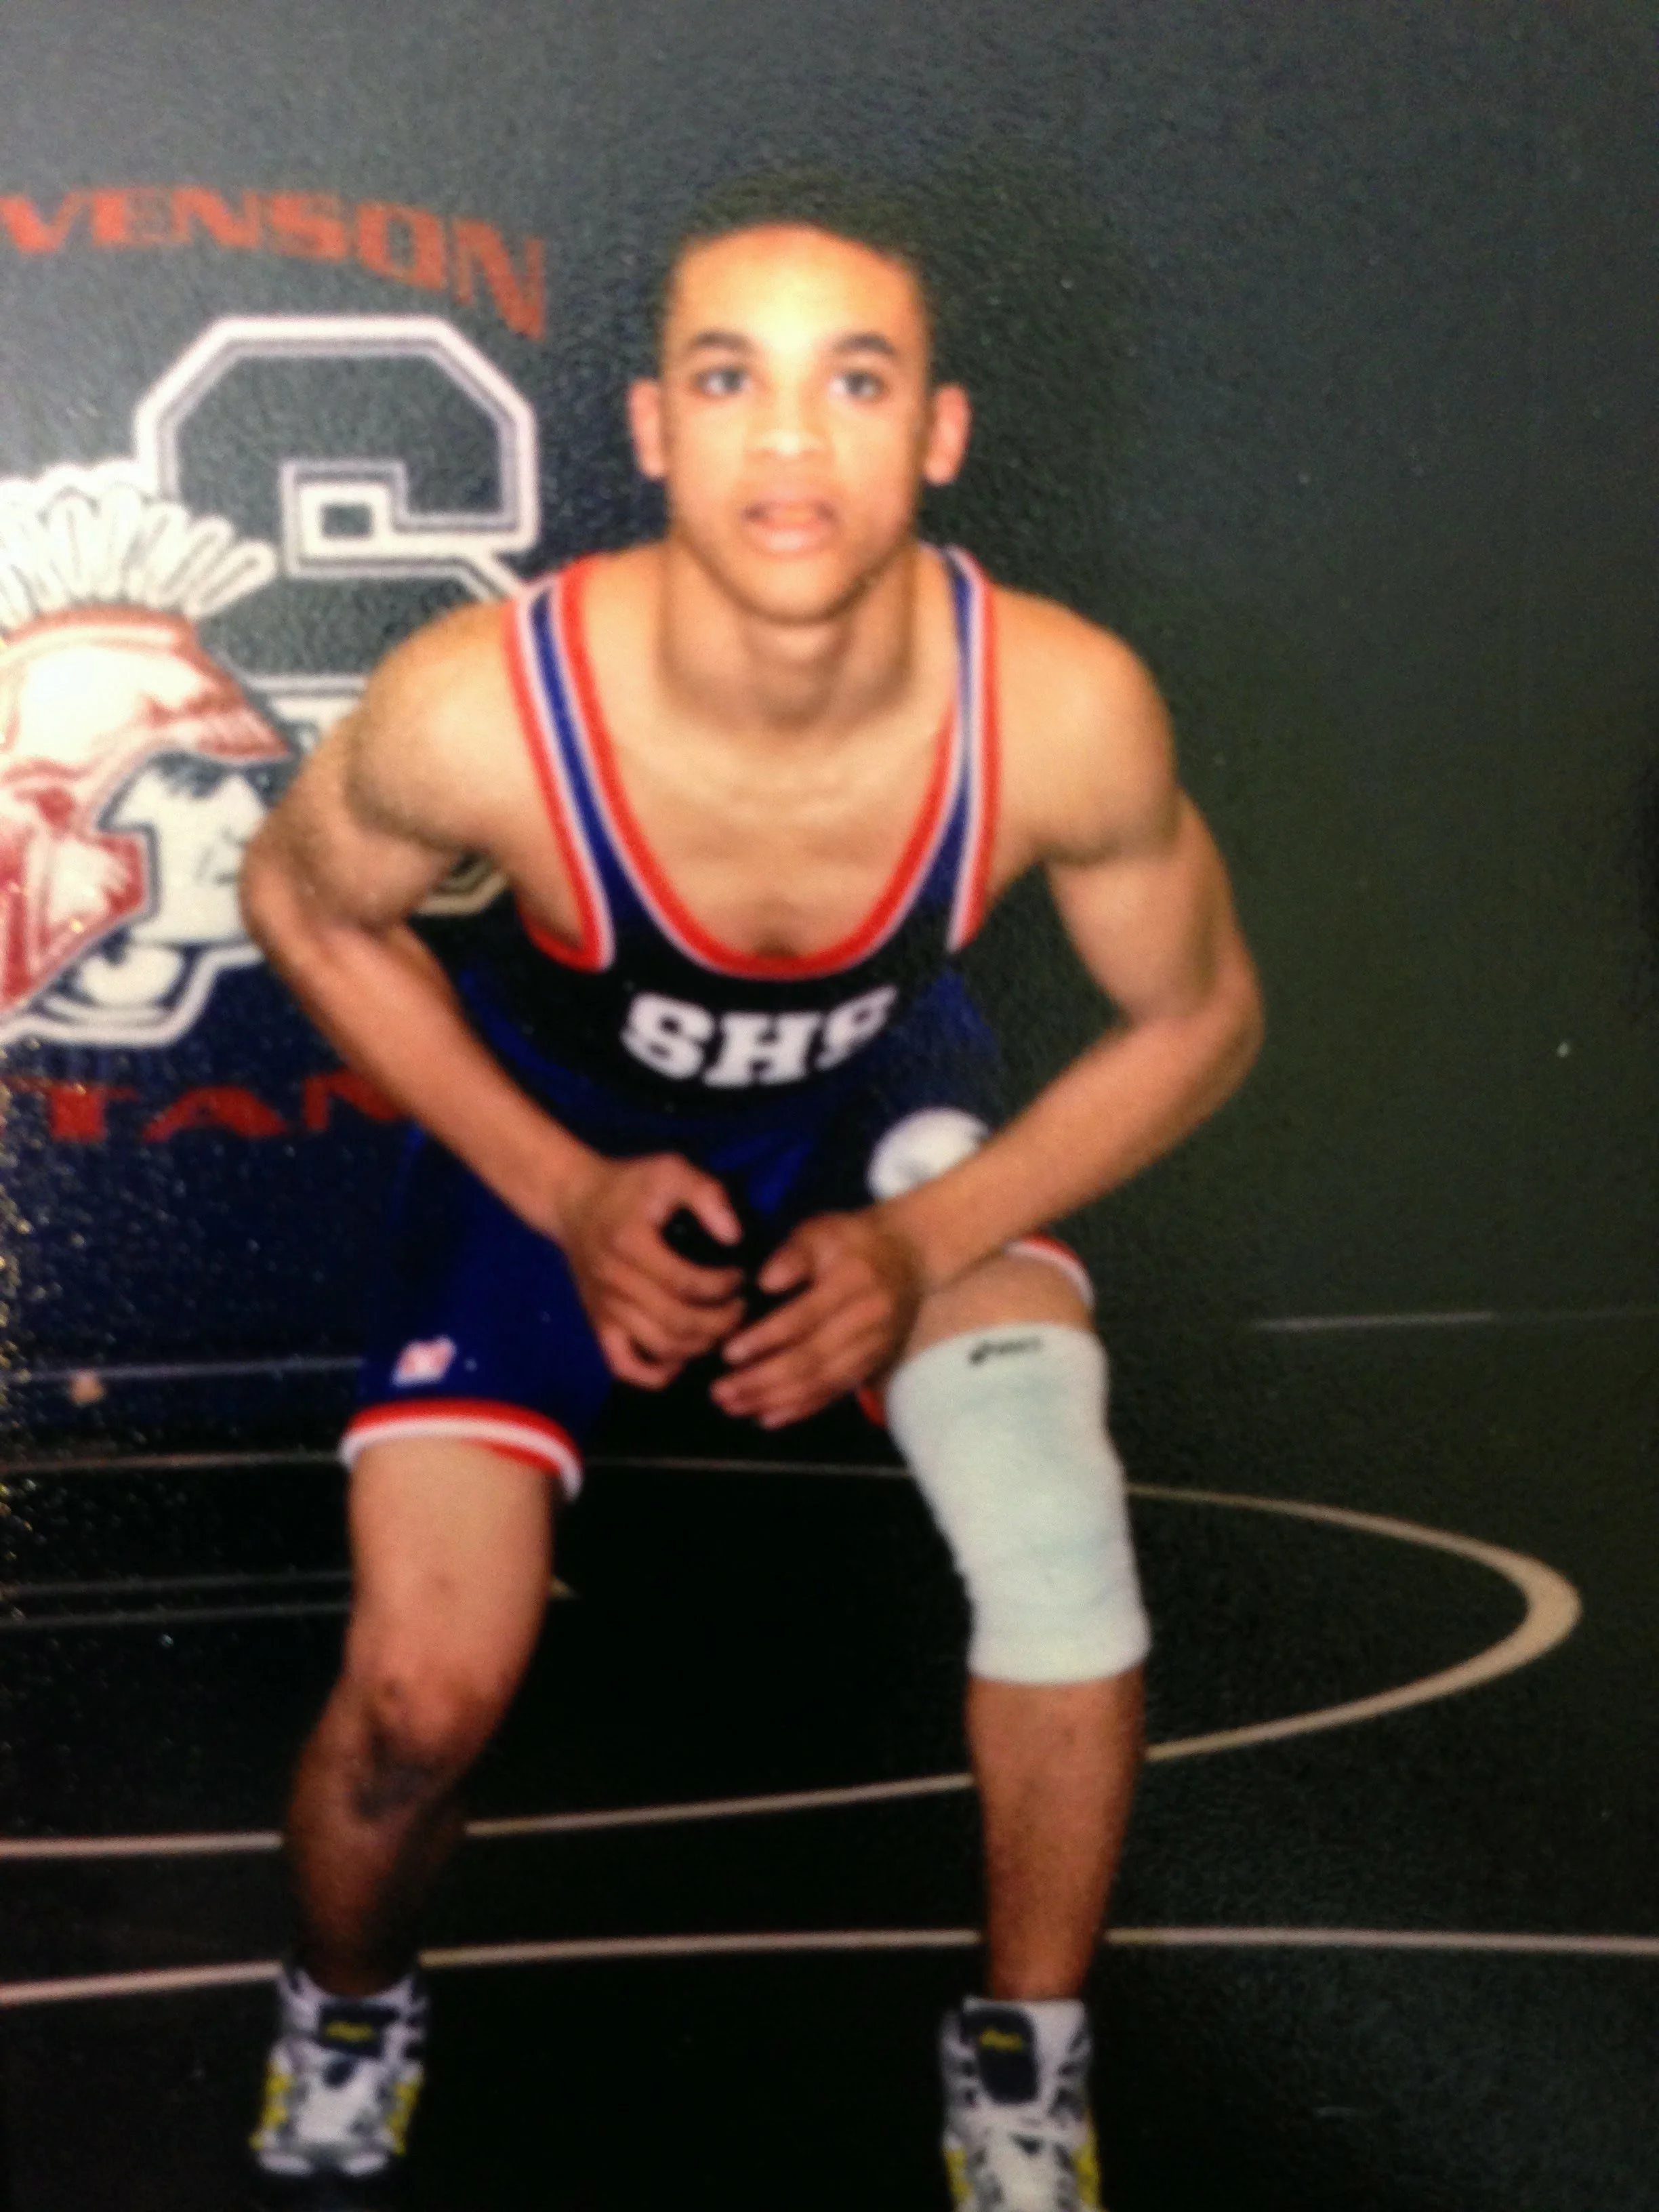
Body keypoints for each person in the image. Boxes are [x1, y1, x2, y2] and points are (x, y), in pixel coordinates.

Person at [239, 174, 1263, 2211]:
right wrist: (556, 1184)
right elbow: (301, 900)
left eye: (853, 380)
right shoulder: (487, 705)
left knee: (1057, 1526)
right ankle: (345, 2005)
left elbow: (1201, 1019)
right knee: (419, 1701)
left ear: (939, 431)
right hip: (561, 1118)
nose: (791, 441)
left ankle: (1027, 2071)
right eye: (734, 378)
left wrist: (915, 1243)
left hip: (878, 1108)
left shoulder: (1055, 704)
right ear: (652, 429)